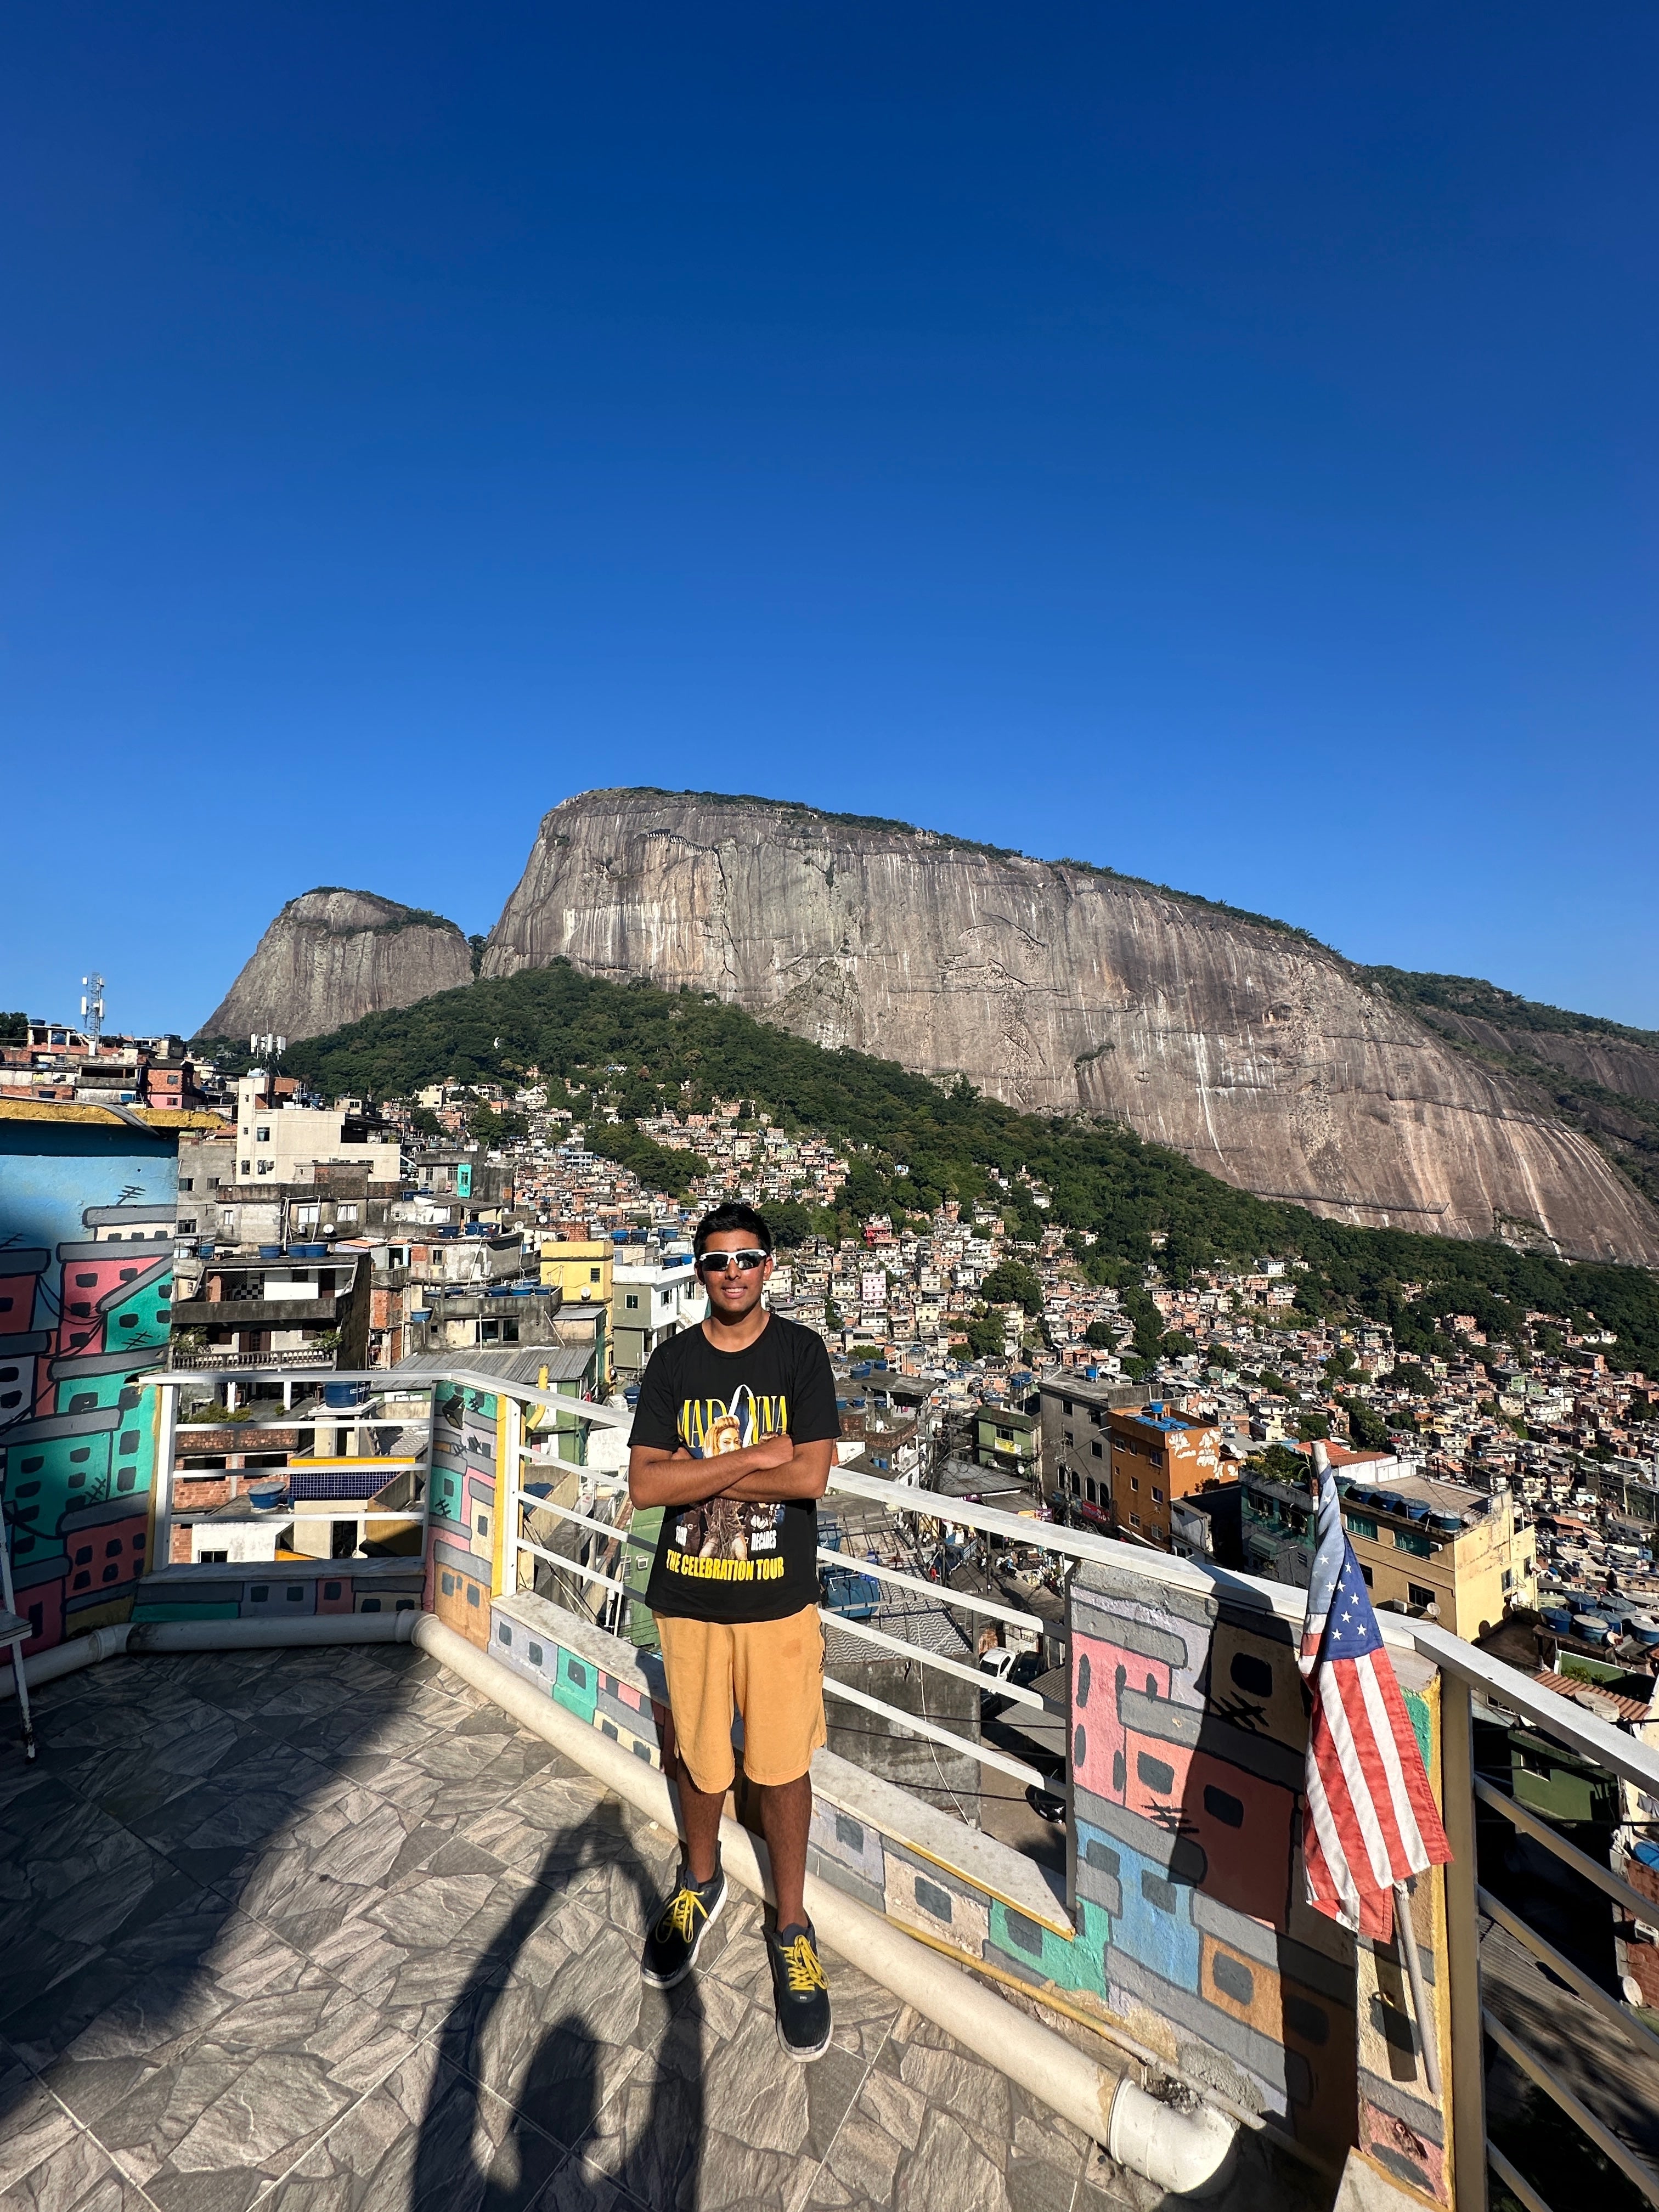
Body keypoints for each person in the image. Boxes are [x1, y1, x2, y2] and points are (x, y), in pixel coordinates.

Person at [628, 1201, 838, 2061]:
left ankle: (792, 1928)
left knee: (783, 1769)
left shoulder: (800, 1353)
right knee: (702, 1759)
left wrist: (698, 1476)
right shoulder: (671, 1361)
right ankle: (699, 1881)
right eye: (716, 1262)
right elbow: (646, 1487)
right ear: (699, 1272)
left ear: (769, 1267)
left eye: (747, 1259)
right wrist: (756, 1458)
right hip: (689, 1598)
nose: (732, 1274)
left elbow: (814, 1472)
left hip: (779, 1603)